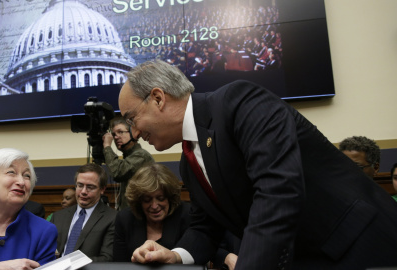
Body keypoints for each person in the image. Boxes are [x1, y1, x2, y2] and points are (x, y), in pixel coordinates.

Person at [118, 59, 397, 269]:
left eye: (131, 119)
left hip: (362, 248)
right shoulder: (188, 162)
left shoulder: (239, 103)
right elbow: (205, 228)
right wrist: (174, 254)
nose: (135, 133)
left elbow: (277, 193)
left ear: (157, 98)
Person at [113, 163, 190, 262]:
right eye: (147, 200)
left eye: (161, 198)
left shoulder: (186, 214)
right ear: (139, 201)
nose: (154, 206)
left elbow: (194, 260)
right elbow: (119, 264)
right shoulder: (125, 218)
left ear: (170, 197)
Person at [50, 163, 116, 262]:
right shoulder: (58, 217)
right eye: (80, 185)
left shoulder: (112, 218)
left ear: (102, 189)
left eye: (90, 187)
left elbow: (107, 258)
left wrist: (71, 263)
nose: (83, 191)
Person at [102, 116, 155, 210]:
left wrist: (107, 146)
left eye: (120, 132)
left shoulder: (141, 156)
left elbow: (117, 172)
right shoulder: (129, 157)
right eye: (114, 134)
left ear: (133, 133)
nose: (116, 137)